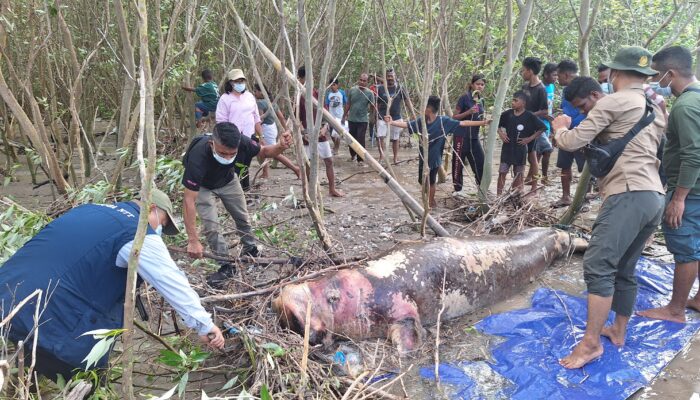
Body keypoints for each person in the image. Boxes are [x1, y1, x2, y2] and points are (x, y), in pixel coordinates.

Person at [0, 189, 225, 381]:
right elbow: (171, 281)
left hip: (7, 295)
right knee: (86, 378)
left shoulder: (87, 210)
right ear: (151, 209)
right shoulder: (136, 232)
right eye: (162, 224)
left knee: (27, 362)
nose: (159, 232)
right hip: (50, 314)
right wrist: (204, 325)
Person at [551, 47, 666, 369]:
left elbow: (571, 142)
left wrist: (560, 126)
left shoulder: (614, 101)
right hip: (653, 196)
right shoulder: (655, 105)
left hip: (628, 193)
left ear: (614, 73)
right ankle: (618, 330)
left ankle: (589, 345)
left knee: (599, 265)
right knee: (625, 268)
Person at [182, 122, 294, 286]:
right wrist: (193, 240)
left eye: (231, 154)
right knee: (211, 226)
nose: (227, 157)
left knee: (242, 217)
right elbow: (188, 200)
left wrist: (280, 146)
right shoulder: (198, 157)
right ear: (212, 144)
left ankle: (251, 250)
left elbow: (264, 151)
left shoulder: (242, 142)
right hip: (203, 186)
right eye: (222, 153)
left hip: (228, 180)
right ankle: (225, 264)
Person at [638, 46, 700, 323]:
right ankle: (697, 299)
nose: (656, 83)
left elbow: (693, 153)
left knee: (685, 247)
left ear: (670, 74)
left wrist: (678, 198)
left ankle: (675, 310)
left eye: (658, 76)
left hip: (690, 190)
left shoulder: (686, 106)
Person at [384, 95, 489, 207]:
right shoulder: (422, 121)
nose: (422, 109)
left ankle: (430, 203)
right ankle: (430, 200)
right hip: (423, 157)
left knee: (431, 181)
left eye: (424, 107)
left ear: (428, 109)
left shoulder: (444, 121)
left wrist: (483, 123)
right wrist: (392, 122)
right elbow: (407, 125)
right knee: (422, 181)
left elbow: (463, 123)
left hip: (434, 158)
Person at [297, 66, 344, 197]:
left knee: (329, 161)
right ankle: (310, 191)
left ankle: (332, 189)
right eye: (307, 78)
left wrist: (325, 128)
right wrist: (303, 133)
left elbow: (326, 114)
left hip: (321, 135)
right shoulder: (298, 96)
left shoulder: (317, 93)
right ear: (300, 79)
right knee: (309, 164)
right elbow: (297, 119)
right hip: (307, 135)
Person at [216, 69, 263, 191]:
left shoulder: (250, 97)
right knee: (236, 166)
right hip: (234, 139)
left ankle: (245, 190)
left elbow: (256, 118)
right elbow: (221, 122)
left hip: (250, 136)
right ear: (231, 83)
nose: (240, 83)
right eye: (237, 81)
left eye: (242, 80)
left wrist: (261, 136)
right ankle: (237, 191)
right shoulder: (225, 99)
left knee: (246, 164)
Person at [497, 91, 547, 195]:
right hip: (507, 148)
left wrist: (529, 139)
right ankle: (498, 195)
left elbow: (543, 128)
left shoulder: (529, 116)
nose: (513, 102)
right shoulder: (507, 114)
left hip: (520, 149)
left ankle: (516, 194)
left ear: (523, 103)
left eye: (516, 100)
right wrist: (501, 134)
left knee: (519, 173)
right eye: (513, 100)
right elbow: (496, 124)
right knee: (502, 172)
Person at [552, 59, 587, 208]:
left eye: (558, 75)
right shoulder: (566, 91)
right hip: (566, 132)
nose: (556, 79)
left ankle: (583, 199)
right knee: (565, 165)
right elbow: (565, 110)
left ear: (565, 75)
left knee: (584, 168)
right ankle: (566, 197)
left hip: (582, 133)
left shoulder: (584, 87)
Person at [253, 83, 301, 180]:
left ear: (261, 92)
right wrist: (286, 129)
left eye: (256, 91)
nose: (255, 93)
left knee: (272, 153)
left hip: (265, 129)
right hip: (272, 128)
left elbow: (260, 120)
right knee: (264, 151)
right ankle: (265, 172)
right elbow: (281, 117)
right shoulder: (272, 102)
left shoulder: (260, 103)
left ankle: (295, 168)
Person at [451, 74, 487, 194]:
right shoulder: (464, 98)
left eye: (482, 84)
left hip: (474, 137)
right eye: (477, 84)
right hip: (461, 136)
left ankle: (481, 190)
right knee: (457, 164)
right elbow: (454, 117)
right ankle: (457, 190)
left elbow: (480, 117)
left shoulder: (481, 100)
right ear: (472, 85)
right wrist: (468, 112)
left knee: (480, 163)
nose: (480, 86)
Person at [520, 57, 549, 191]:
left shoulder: (541, 89)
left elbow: (544, 110)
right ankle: (520, 183)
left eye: (523, 70)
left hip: (534, 127)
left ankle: (534, 186)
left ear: (530, 71)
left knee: (533, 158)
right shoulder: (525, 86)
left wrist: (530, 115)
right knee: (523, 156)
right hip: (522, 125)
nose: (522, 73)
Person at [376, 69, 411, 164]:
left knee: (395, 138)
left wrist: (412, 114)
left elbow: (407, 101)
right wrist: (376, 115)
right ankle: (381, 157)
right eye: (388, 76)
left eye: (391, 76)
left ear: (395, 77)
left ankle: (395, 158)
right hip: (383, 117)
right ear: (385, 77)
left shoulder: (399, 88)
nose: (390, 78)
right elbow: (377, 103)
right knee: (380, 137)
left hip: (396, 117)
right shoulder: (381, 88)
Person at [343, 73, 375, 165]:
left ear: (367, 82)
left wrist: (373, 116)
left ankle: (360, 159)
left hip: (363, 120)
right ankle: (352, 155)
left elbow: (372, 106)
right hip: (351, 119)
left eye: (364, 81)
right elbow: (348, 103)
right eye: (360, 80)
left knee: (361, 139)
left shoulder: (370, 93)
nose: (362, 82)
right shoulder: (352, 90)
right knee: (351, 139)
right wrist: (344, 115)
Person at [538, 62, 558, 184]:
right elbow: (532, 109)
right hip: (538, 124)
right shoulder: (539, 88)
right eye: (554, 75)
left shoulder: (551, 87)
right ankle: (544, 178)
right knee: (547, 150)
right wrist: (546, 116)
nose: (556, 78)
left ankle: (531, 177)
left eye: (557, 75)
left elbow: (550, 106)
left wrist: (551, 124)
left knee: (540, 152)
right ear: (545, 74)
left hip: (547, 123)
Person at [324, 78, 348, 154]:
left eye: (334, 85)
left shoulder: (342, 93)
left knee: (337, 134)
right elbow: (327, 105)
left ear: (337, 85)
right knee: (331, 134)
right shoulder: (329, 94)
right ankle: (335, 145)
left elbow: (346, 103)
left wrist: (346, 115)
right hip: (331, 116)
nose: (332, 87)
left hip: (339, 116)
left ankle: (336, 149)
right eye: (331, 85)